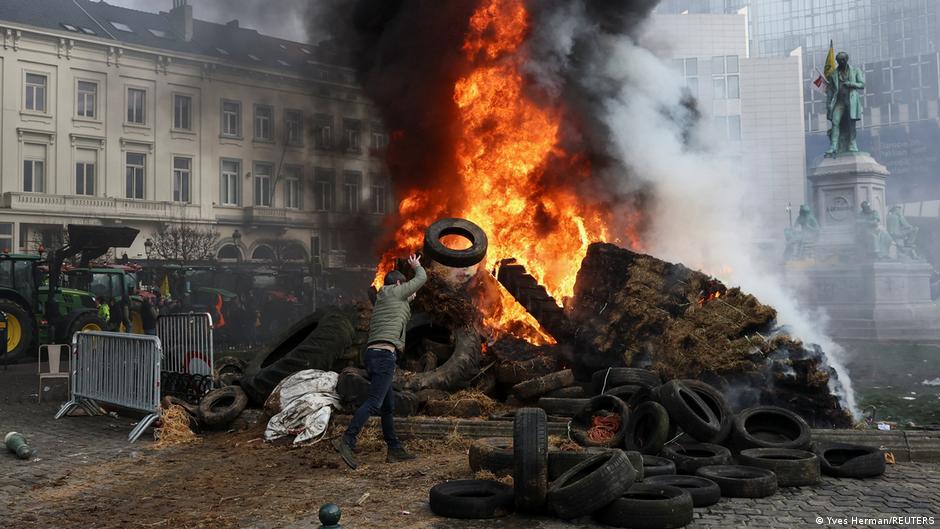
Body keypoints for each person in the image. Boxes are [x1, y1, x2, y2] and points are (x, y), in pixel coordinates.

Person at [333, 254, 427, 469]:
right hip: (384, 356)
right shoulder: (395, 291)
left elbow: (411, 296)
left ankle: (394, 449)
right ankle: (347, 439)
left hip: (374, 354)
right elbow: (421, 279)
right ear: (399, 284)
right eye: (405, 286)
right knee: (375, 402)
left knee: (388, 406)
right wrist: (417, 266)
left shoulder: (385, 297)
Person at [826, 51, 865, 156]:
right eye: (839, 60)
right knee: (835, 121)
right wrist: (829, 105)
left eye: (843, 59)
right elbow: (830, 91)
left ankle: (852, 143)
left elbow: (862, 84)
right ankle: (833, 146)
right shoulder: (834, 74)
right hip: (839, 101)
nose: (841, 62)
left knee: (851, 123)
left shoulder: (855, 70)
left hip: (851, 100)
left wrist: (851, 84)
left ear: (846, 59)